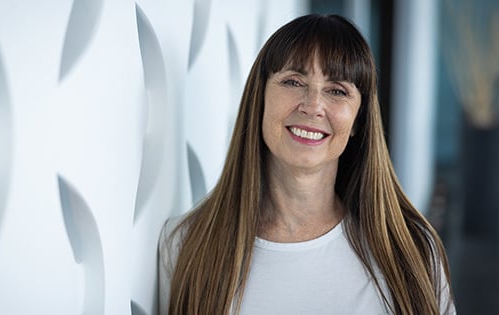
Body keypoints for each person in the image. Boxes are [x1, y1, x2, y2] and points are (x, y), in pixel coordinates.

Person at [158, 14, 455, 315]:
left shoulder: (414, 250)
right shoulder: (185, 245)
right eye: (293, 82)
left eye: (337, 90)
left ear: (358, 120)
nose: (312, 105)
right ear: (259, 98)